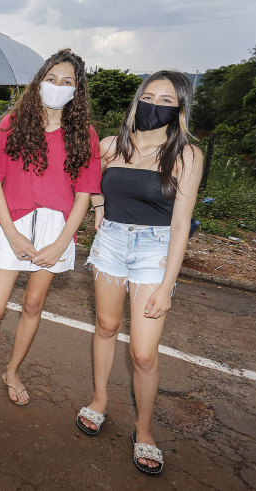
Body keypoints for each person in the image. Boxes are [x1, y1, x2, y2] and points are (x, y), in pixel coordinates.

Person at [0, 49, 100, 404]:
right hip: (13, 223)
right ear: (39, 81)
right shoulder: (12, 123)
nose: (58, 86)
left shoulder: (84, 134)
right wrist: (10, 231)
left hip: (58, 230)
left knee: (33, 304)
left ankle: (12, 371)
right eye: (51, 78)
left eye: (67, 82)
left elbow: (84, 194)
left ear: (77, 90)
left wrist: (60, 245)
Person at [76, 70, 202, 476]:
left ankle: (144, 430)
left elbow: (182, 223)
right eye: (150, 96)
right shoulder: (112, 146)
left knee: (144, 353)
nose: (156, 106)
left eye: (167, 101)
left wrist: (167, 284)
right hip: (110, 242)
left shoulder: (187, 155)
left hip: (155, 249)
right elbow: (88, 182)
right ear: (137, 99)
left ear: (181, 108)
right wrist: (98, 207)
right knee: (107, 327)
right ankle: (99, 401)